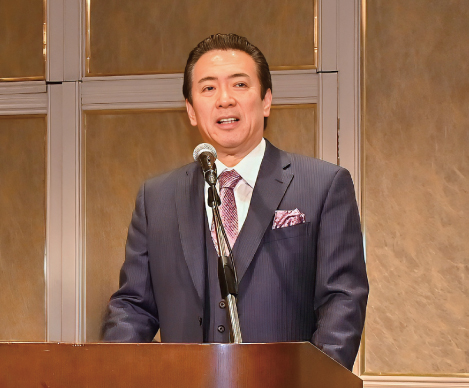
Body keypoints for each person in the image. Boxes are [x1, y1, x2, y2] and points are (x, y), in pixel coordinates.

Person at [102, 33, 368, 370]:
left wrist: (315, 384)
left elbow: (342, 300)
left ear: (266, 100)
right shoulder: (156, 198)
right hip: (184, 387)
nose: (225, 100)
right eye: (208, 88)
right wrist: (118, 372)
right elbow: (133, 306)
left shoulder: (323, 185)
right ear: (191, 110)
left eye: (240, 85)